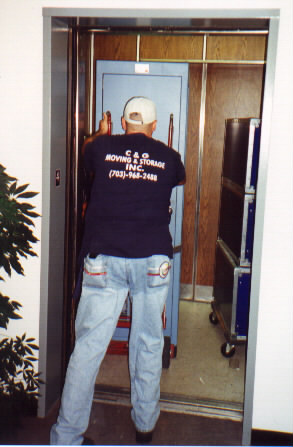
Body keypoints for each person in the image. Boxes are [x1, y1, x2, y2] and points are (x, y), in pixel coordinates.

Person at [50, 97, 186, 445]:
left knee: (88, 348)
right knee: (148, 343)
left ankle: (65, 436)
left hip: (104, 260)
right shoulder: (170, 158)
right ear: (154, 126)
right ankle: (144, 426)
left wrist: (100, 133)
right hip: (152, 260)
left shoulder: (101, 146)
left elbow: (87, 150)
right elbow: (173, 179)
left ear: (124, 122)